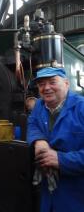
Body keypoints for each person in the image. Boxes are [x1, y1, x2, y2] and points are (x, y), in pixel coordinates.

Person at [27, 67, 84, 212]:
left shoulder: (81, 107)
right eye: (41, 84)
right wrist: (39, 140)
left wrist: (60, 159)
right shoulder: (39, 105)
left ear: (66, 83)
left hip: (77, 192)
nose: (46, 88)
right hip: (48, 193)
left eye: (52, 82)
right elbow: (32, 124)